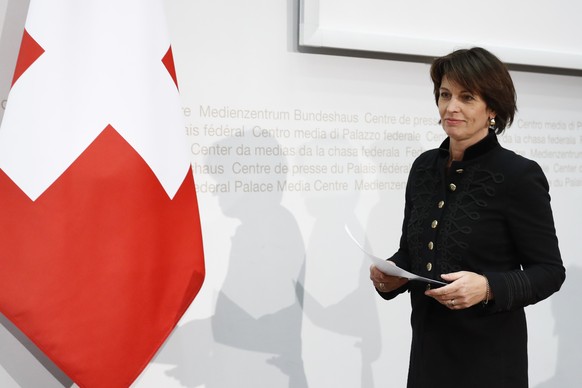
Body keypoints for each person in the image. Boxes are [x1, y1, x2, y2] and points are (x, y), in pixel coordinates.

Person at [369, 47, 566, 388]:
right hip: (428, 354)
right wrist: (391, 274)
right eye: (445, 94)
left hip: (489, 361)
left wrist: (488, 287)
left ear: (492, 108)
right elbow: (412, 251)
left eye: (467, 97)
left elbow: (550, 272)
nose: (451, 107)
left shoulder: (518, 175)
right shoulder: (424, 168)